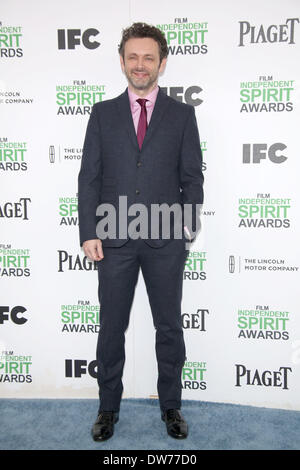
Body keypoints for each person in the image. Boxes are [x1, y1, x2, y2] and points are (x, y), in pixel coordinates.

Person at [78, 22, 204, 441]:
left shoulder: (183, 115)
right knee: (111, 326)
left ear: (162, 63)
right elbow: (89, 178)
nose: (140, 64)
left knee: (168, 326)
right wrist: (88, 230)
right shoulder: (102, 113)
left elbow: (192, 176)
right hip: (113, 239)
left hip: (165, 238)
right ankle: (107, 408)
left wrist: (186, 221)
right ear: (121, 61)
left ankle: (171, 407)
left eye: (149, 57)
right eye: (132, 56)